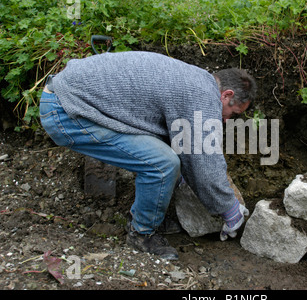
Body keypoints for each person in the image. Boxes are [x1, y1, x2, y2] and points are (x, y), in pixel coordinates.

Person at [39, 51, 257, 260]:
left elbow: (186, 145)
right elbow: (205, 162)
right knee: (162, 164)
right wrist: (228, 207)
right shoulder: (202, 95)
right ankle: (141, 234)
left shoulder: (196, 80)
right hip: (66, 111)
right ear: (226, 95)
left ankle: (152, 216)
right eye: (233, 113)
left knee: (167, 158)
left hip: (70, 97)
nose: (227, 120)